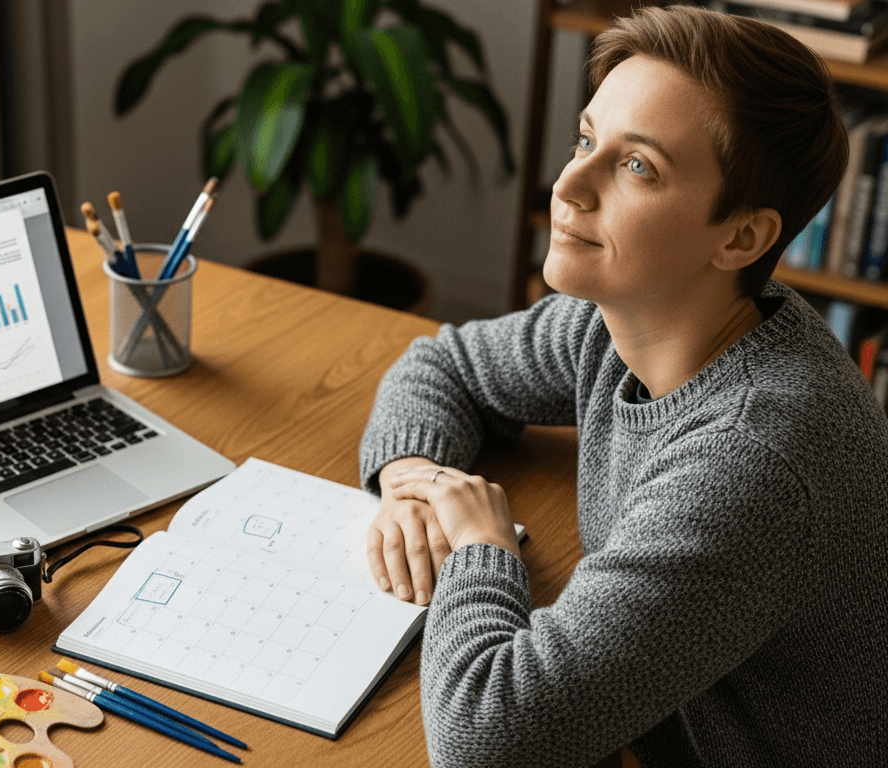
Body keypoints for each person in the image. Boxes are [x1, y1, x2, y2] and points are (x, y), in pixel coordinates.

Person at [358, 6, 888, 766]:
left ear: (741, 236)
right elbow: (443, 365)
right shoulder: (622, 317)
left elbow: (486, 741)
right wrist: (414, 481)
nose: (569, 184)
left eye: (637, 166)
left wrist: (482, 543)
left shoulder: (754, 458)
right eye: (585, 139)